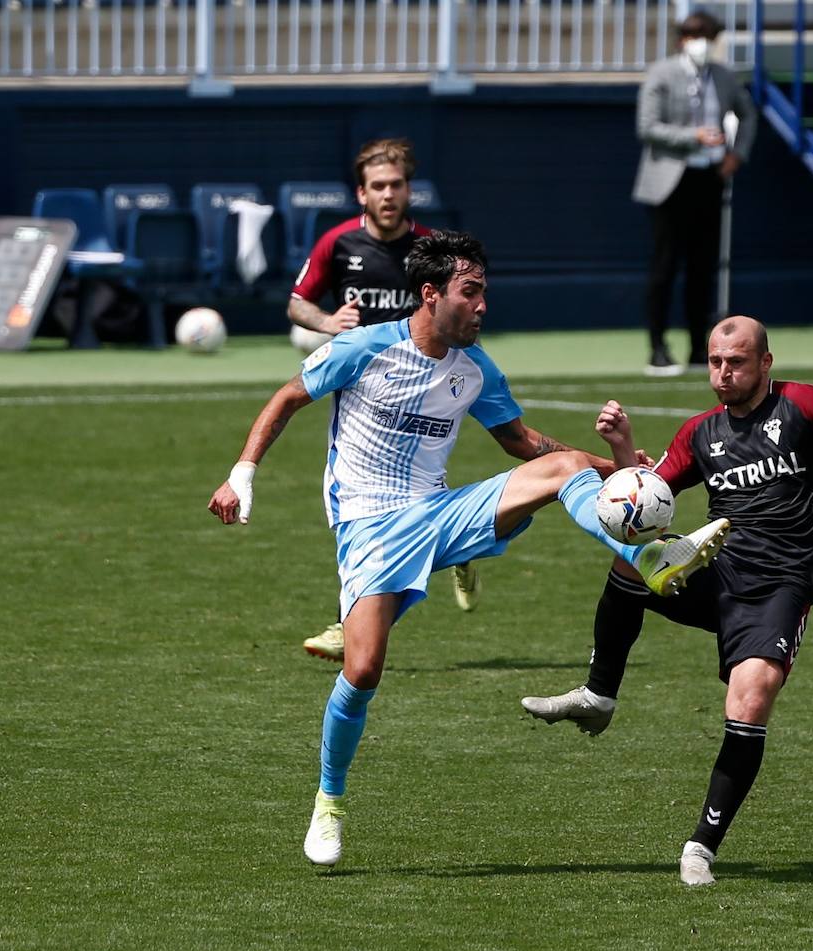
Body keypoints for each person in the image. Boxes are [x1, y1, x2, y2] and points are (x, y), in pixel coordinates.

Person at [208, 231, 731, 867]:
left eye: (485, 291)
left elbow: (520, 440)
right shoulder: (365, 349)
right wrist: (243, 472)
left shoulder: (474, 369)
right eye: (471, 292)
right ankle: (329, 800)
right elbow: (289, 396)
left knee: (563, 467)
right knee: (363, 668)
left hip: (443, 512)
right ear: (431, 295)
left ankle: (651, 558)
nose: (483, 305)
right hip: (371, 531)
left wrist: (614, 468)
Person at [520, 316, 813, 886]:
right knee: (630, 564)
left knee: (751, 697)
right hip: (715, 567)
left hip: (779, 588)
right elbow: (645, 494)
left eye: (735, 362)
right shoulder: (700, 432)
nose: (723, 373)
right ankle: (599, 694)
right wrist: (620, 446)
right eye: (714, 362)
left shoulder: (804, 405)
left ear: (765, 362)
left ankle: (701, 847)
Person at [288, 137, 481, 660]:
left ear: (409, 190)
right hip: (363, 387)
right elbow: (297, 303)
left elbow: (463, 296)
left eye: (397, 185)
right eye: (379, 186)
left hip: (428, 378)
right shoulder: (338, 244)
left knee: (403, 497)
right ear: (362, 194)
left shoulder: (430, 249)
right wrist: (328, 323)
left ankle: (356, 618)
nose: (389, 194)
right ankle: (453, 549)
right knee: (355, 497)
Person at [633, 10, 756, 377]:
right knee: (664, 266)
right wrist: (694, 137)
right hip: (670, 182)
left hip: (709, 179)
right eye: (693, 34)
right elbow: (647, 127)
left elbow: (747, 115)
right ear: (681, 38)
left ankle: (699, 348)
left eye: (706, 34)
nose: (700, 40)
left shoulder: (723, 75)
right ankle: (657, 347)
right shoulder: (662, 73)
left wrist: (738, 154)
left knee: (702, 268)